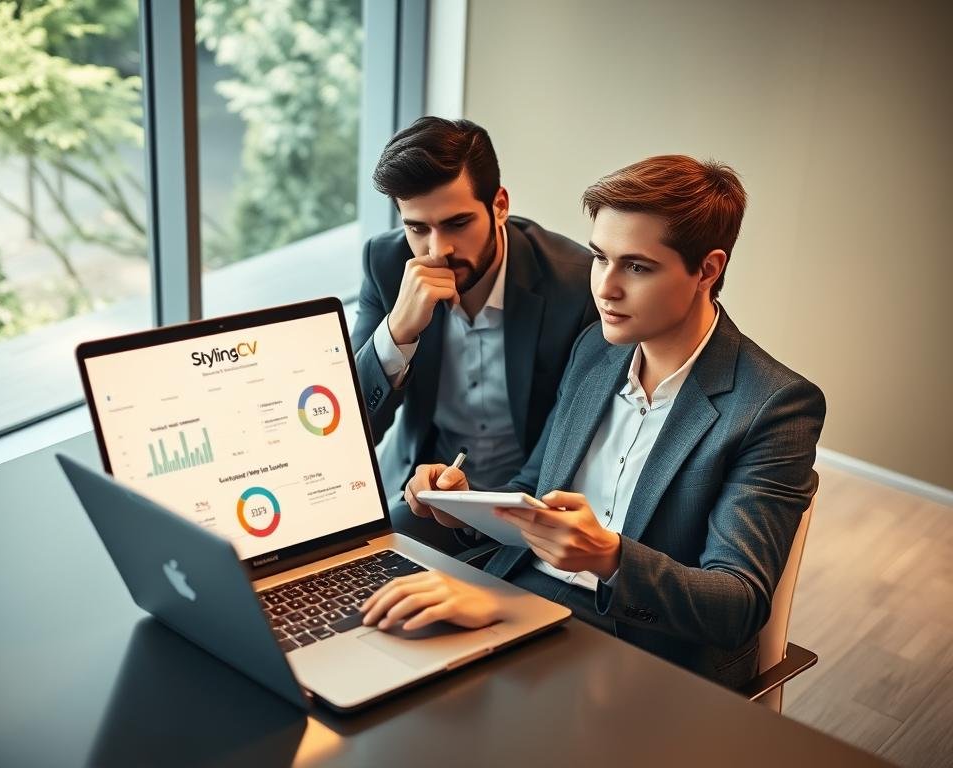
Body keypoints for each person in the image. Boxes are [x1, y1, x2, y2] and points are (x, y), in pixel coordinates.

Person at [360, 155, 826, 688]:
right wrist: (465, 504)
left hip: (643, 652)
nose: (605, 287)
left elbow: (736, 604)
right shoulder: (595, 351)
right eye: (600, 258)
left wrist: (611, 557)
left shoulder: (775, 404)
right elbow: (532, 489)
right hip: (523, 600)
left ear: (707, 269)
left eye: (637, 267)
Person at [352, 117, 597, 554]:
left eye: (457, 223)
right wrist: (397, 333)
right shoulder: (386, 265)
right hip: (419, 499)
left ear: (499, 205)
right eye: (417, 228)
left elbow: (574, 442)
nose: (437, 249)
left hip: (528, 511)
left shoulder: (575, 285)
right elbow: (352, 432)